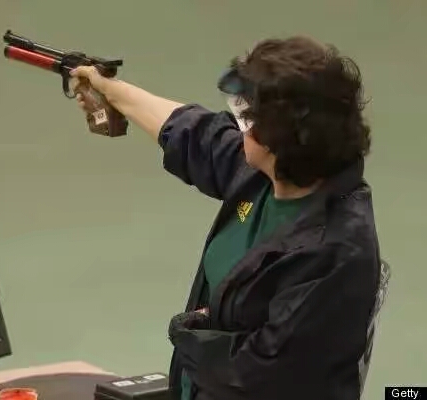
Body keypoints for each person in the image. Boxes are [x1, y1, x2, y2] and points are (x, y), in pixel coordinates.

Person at [71, 36, 380, 400]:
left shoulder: (334, 250)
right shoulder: (270, 177)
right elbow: (193, 133)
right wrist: (112, 91)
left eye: (247, 118)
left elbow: (259, 374)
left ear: (276, 139)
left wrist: (191, 330)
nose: (238, 125)